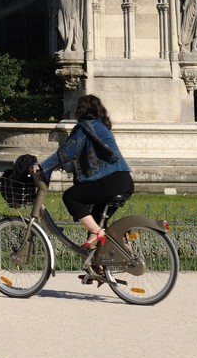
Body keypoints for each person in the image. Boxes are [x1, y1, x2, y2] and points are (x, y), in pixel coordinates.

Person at [34, 93, 133, 264]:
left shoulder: (84, 128)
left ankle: (96, 233)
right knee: (97, 219)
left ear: (81, 111)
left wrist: (42, 167)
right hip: (124, 181)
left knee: (71, 196)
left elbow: (65, 152)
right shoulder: (102, 127)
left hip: (109, 183)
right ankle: (100, 266)